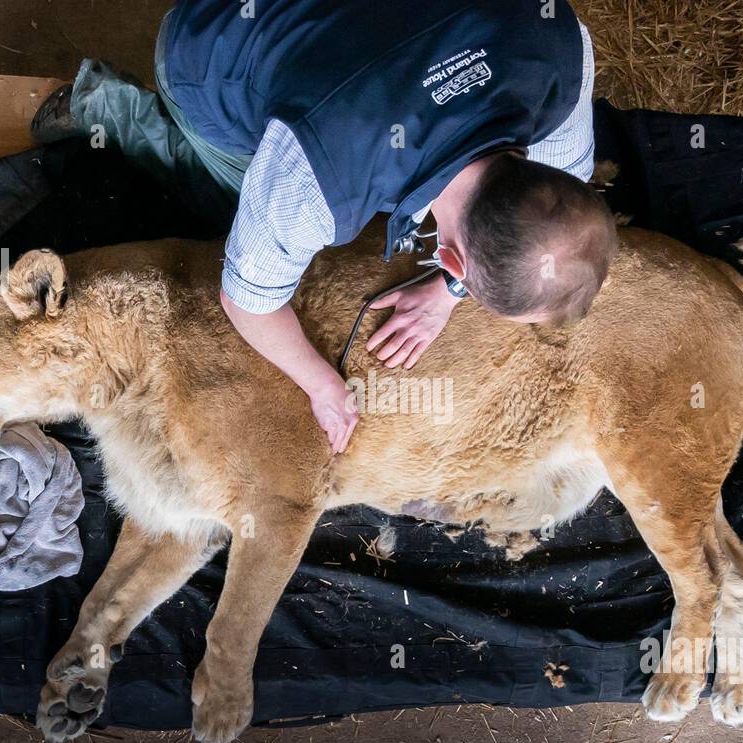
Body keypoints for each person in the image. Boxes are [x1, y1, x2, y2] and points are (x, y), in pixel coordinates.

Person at [32, 0, 617, 453]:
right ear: (454, 256)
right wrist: (322, 385)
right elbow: (248, 298)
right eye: (464, 281)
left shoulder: (556, 46)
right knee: (226, 198)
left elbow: (568, 172)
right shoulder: (316, 180)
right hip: (213, 42)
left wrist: (448, 290)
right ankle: (105, 104)